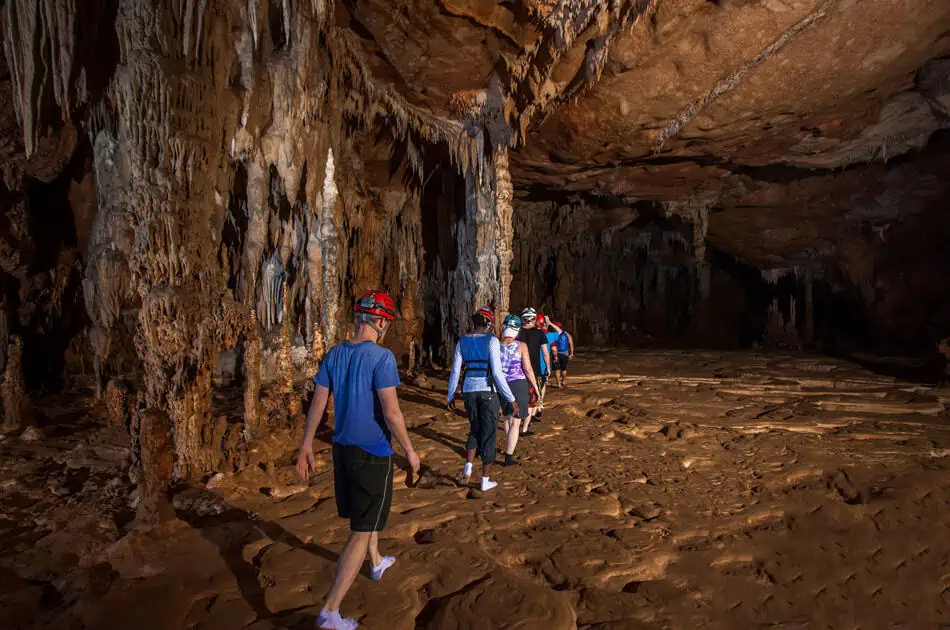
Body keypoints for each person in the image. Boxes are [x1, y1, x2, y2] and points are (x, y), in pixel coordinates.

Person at [296, 290, 421, 630]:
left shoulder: (335, 353)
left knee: (367, 514)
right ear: (380, 321)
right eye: (387, 323)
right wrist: (410, 450)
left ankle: (377, 561)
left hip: (343, 450)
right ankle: (331, 611)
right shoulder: (381, 358)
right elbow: (391, 412)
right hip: (374, 452)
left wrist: (306, 445)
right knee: (362, 530)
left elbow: (319, 403)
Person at [446, 307, 518, 491]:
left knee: (474, 428)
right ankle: (485, 480)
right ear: (489, 324)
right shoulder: (492, 341)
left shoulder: (462, 341)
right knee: (489, 433)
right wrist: (511, 398)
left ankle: (467, 469)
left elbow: (455, 370)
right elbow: (497, 373)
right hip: (488, 391)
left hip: (468, 390)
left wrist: (451, 394)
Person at [498, 314, 540, 466]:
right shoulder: (521, 346)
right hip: (517, 384)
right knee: (516, 422)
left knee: (507, 417)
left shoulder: (496, 344)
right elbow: (528, 369)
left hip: (501, 385)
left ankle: (509, 446)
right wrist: (536, 388)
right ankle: (509, 456)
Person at [516, 308, 549, 435]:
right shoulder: (540, 334)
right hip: (535, 371)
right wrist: (548, 367)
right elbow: (545, 353)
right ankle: (524, 429)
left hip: (517, 371)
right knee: (532, 400)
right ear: (534, 319)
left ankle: (515, 424)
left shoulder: (517, 332)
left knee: (518, 398)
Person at [551, 320, 574, 387]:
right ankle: (564, 380)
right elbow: (571, 343)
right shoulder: (567, 334)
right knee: (564, 369)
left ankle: (558, 383)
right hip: (565, 353)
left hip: (556, 353)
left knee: (557, 369)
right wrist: (571, 353)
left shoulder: (553, 334)